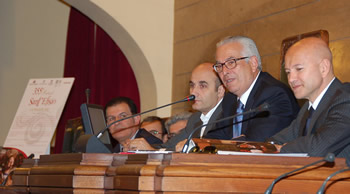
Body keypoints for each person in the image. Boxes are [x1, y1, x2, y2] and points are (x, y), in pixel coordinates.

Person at [268, 37, 350, 158]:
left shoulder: (346, 100)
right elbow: (278, 140)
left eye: (299, 69)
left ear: (323, 68)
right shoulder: (308, 107)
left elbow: (318, 147)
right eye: (288, 72)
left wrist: (283, 148)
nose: (291, 79)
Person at [206, 36, 300, 142]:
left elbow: (256, 142)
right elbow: (215, 137)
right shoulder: (230, 99)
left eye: (231, 62)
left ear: (253, 63)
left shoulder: (274, 94)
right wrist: (193, 145)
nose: (224, 72)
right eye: (219, 66)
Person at [125, 62, 225, 151]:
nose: (193, 92)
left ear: (220, 91)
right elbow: (169, 146)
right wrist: (142, 147)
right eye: (192, 85)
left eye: (202, 86)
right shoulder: (195, 119)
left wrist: (150, 150)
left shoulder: (226, 117)